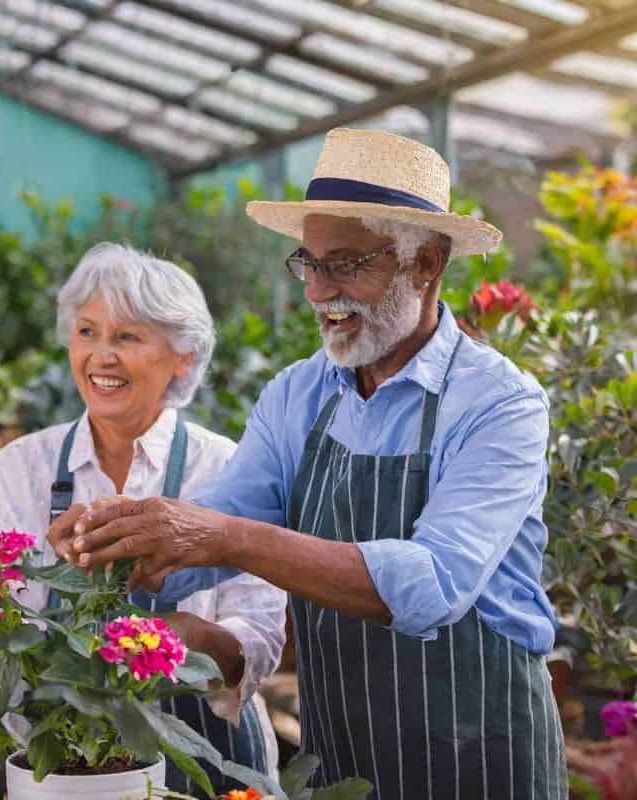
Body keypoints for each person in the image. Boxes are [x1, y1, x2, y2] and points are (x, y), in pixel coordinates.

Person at [51, 129, 568, 799]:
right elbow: (216, 527)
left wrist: (219, 536)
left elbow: (433, 584)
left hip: (478, 755)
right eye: (310, 263)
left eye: (349, 263)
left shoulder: (499, 404)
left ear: (427, 264)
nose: (321, 291)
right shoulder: (301, 393)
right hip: (339, 755)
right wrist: (120, 538)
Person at [0, 243, 286, 794]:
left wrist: (187, 641)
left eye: (127, 337)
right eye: (87, 332)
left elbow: (258, 637)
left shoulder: (227, 469)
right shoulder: (25, 466)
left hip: (202, 756)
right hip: (54, 763)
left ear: (182, 357)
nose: (101, 356)